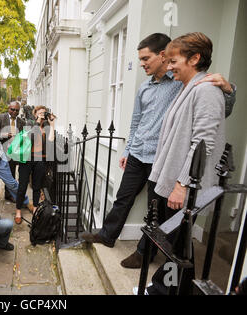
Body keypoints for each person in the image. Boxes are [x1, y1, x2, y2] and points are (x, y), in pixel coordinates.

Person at [79, 33, 236, 268]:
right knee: (123, 198)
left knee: (158, 214)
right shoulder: (146, 88)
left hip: (161, 160)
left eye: (145, 58)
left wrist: (229, 89)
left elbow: (215, 114)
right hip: (139, 152)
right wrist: (128, 150)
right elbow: (136, 122)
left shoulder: (183, 83)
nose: (142, 64)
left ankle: (147, 253)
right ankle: (107, 235)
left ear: (162, 56)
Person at [142, 32, 227, 295]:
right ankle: (180, 290)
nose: (169, 67)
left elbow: (204, 144)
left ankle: (161, 290)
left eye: (174, 60)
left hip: (183, 185)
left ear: (195, 58)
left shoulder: (207, 91)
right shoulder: (188, 88)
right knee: (177, 245)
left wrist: (182, 184)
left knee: (175, 245)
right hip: (174, 180)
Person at [14, 106, 56, 224]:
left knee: (37, 186)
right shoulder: (29, 123)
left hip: (40, 159)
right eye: (40, 112)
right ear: (35, 114)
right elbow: (30, 137)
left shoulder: (47, 126)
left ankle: (36, 209)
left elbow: (51, 140)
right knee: (22, 186)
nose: (42, 114)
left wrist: (52, 125)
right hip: (27, 159)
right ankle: (18, 210)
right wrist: (37, 122)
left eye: (44, 112)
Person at [0, 101, 26, 203]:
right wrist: (4, 134)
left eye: (17, 110)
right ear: (8, 108)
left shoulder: (22, 122)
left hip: (12, 153)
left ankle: (9, 194)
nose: (14, 112)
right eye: (12, 109)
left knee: (10, 175)